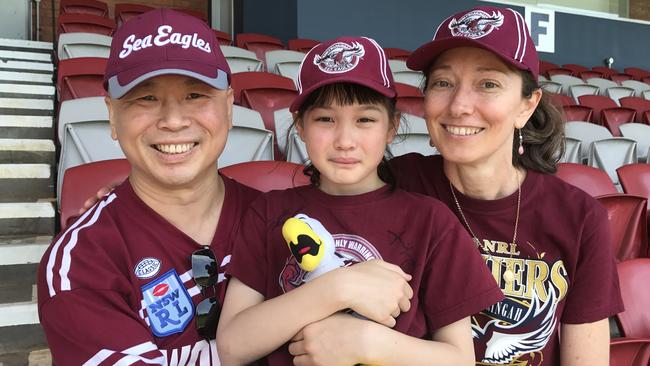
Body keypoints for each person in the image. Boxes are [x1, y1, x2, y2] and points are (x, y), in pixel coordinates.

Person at [293, 6, 624, 366]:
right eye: (443, 83)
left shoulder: (579, 217)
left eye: (488, 84)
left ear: (527, 106)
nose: (459, 105)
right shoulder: (393, 184)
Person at [215, 36, 504, 366]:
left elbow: (459, 359)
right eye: (325, 119)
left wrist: (370, 343)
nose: (345, 141)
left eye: (365, 120)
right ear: (300, 127)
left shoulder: (431, 221)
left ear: (392, 128)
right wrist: (337, 288)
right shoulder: (269, 211)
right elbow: (231, 348)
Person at [37, 9, 260, 365]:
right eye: (145, 98)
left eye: (196, 95)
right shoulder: (81, 262)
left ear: (230, 108)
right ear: (112, 116)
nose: (173, 121)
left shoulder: (282, 219)